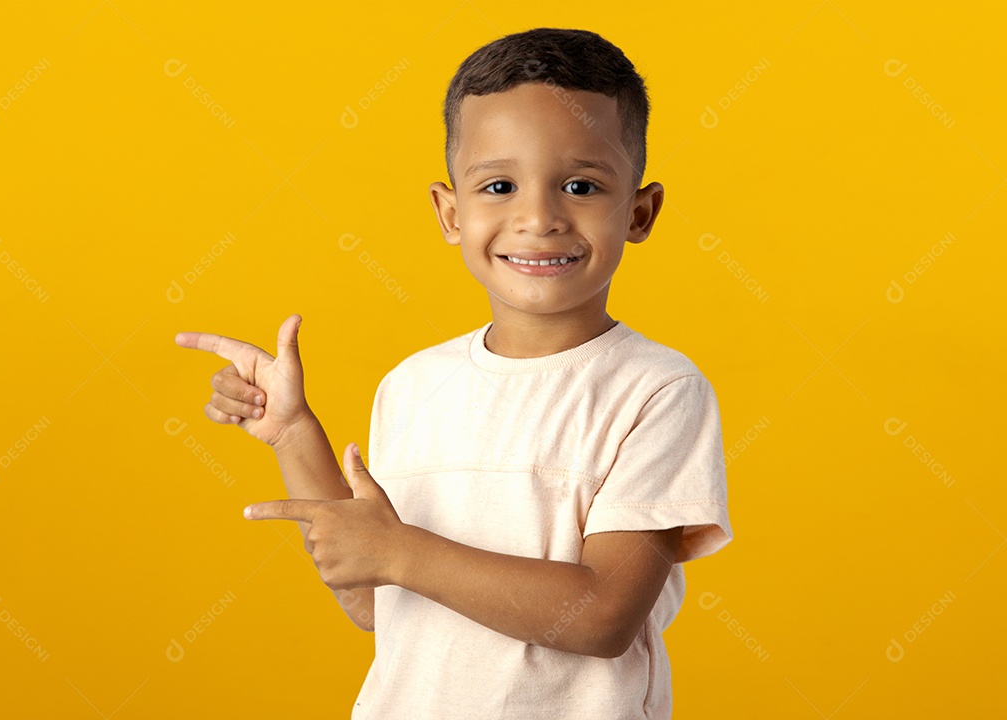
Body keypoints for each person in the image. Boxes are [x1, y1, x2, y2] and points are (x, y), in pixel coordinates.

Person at [176, 27, 732, 720]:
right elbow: (374, 601)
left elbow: (602, 616)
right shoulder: (414, 386)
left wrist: (400, 552)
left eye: (581, 186)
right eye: (499, 186)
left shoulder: (658, 391)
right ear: (450, 213)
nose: (539, 218)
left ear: (639, 213)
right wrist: (293, 434)